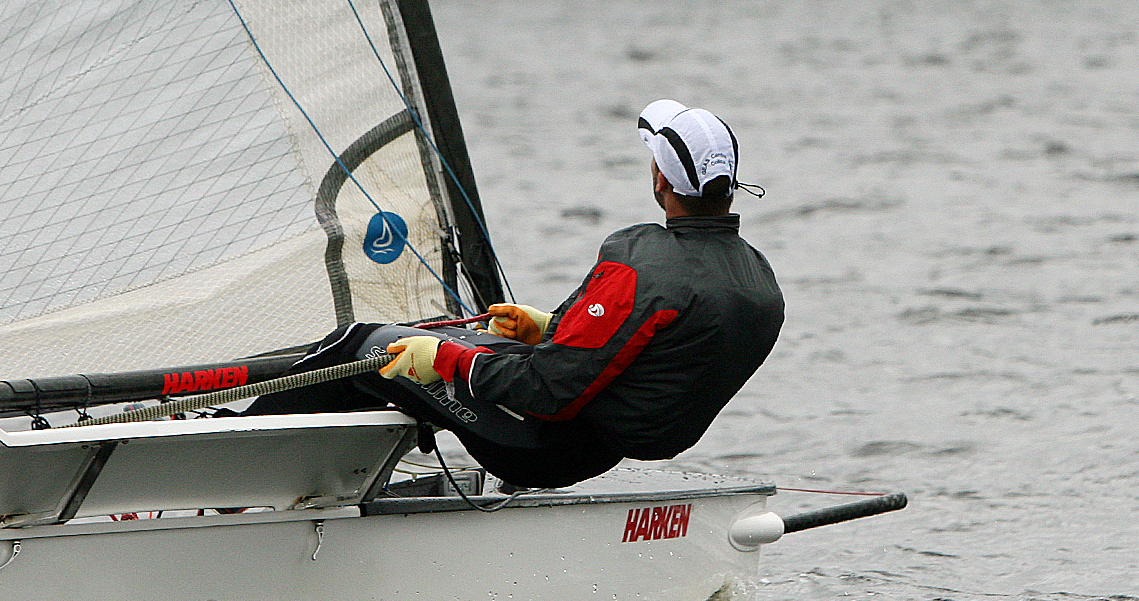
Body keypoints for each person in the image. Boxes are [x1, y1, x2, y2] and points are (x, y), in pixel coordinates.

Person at [254, 100, 785, 490]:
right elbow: (653, 356)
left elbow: (545, 390)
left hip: (536, 444)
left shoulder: (642, 263)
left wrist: (444, 360)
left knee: (360, 344)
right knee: (432, 342)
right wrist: (549, 327)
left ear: (661, 181)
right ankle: (325, 484)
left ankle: (239, 457)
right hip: (593, 450)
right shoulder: (759, 278)